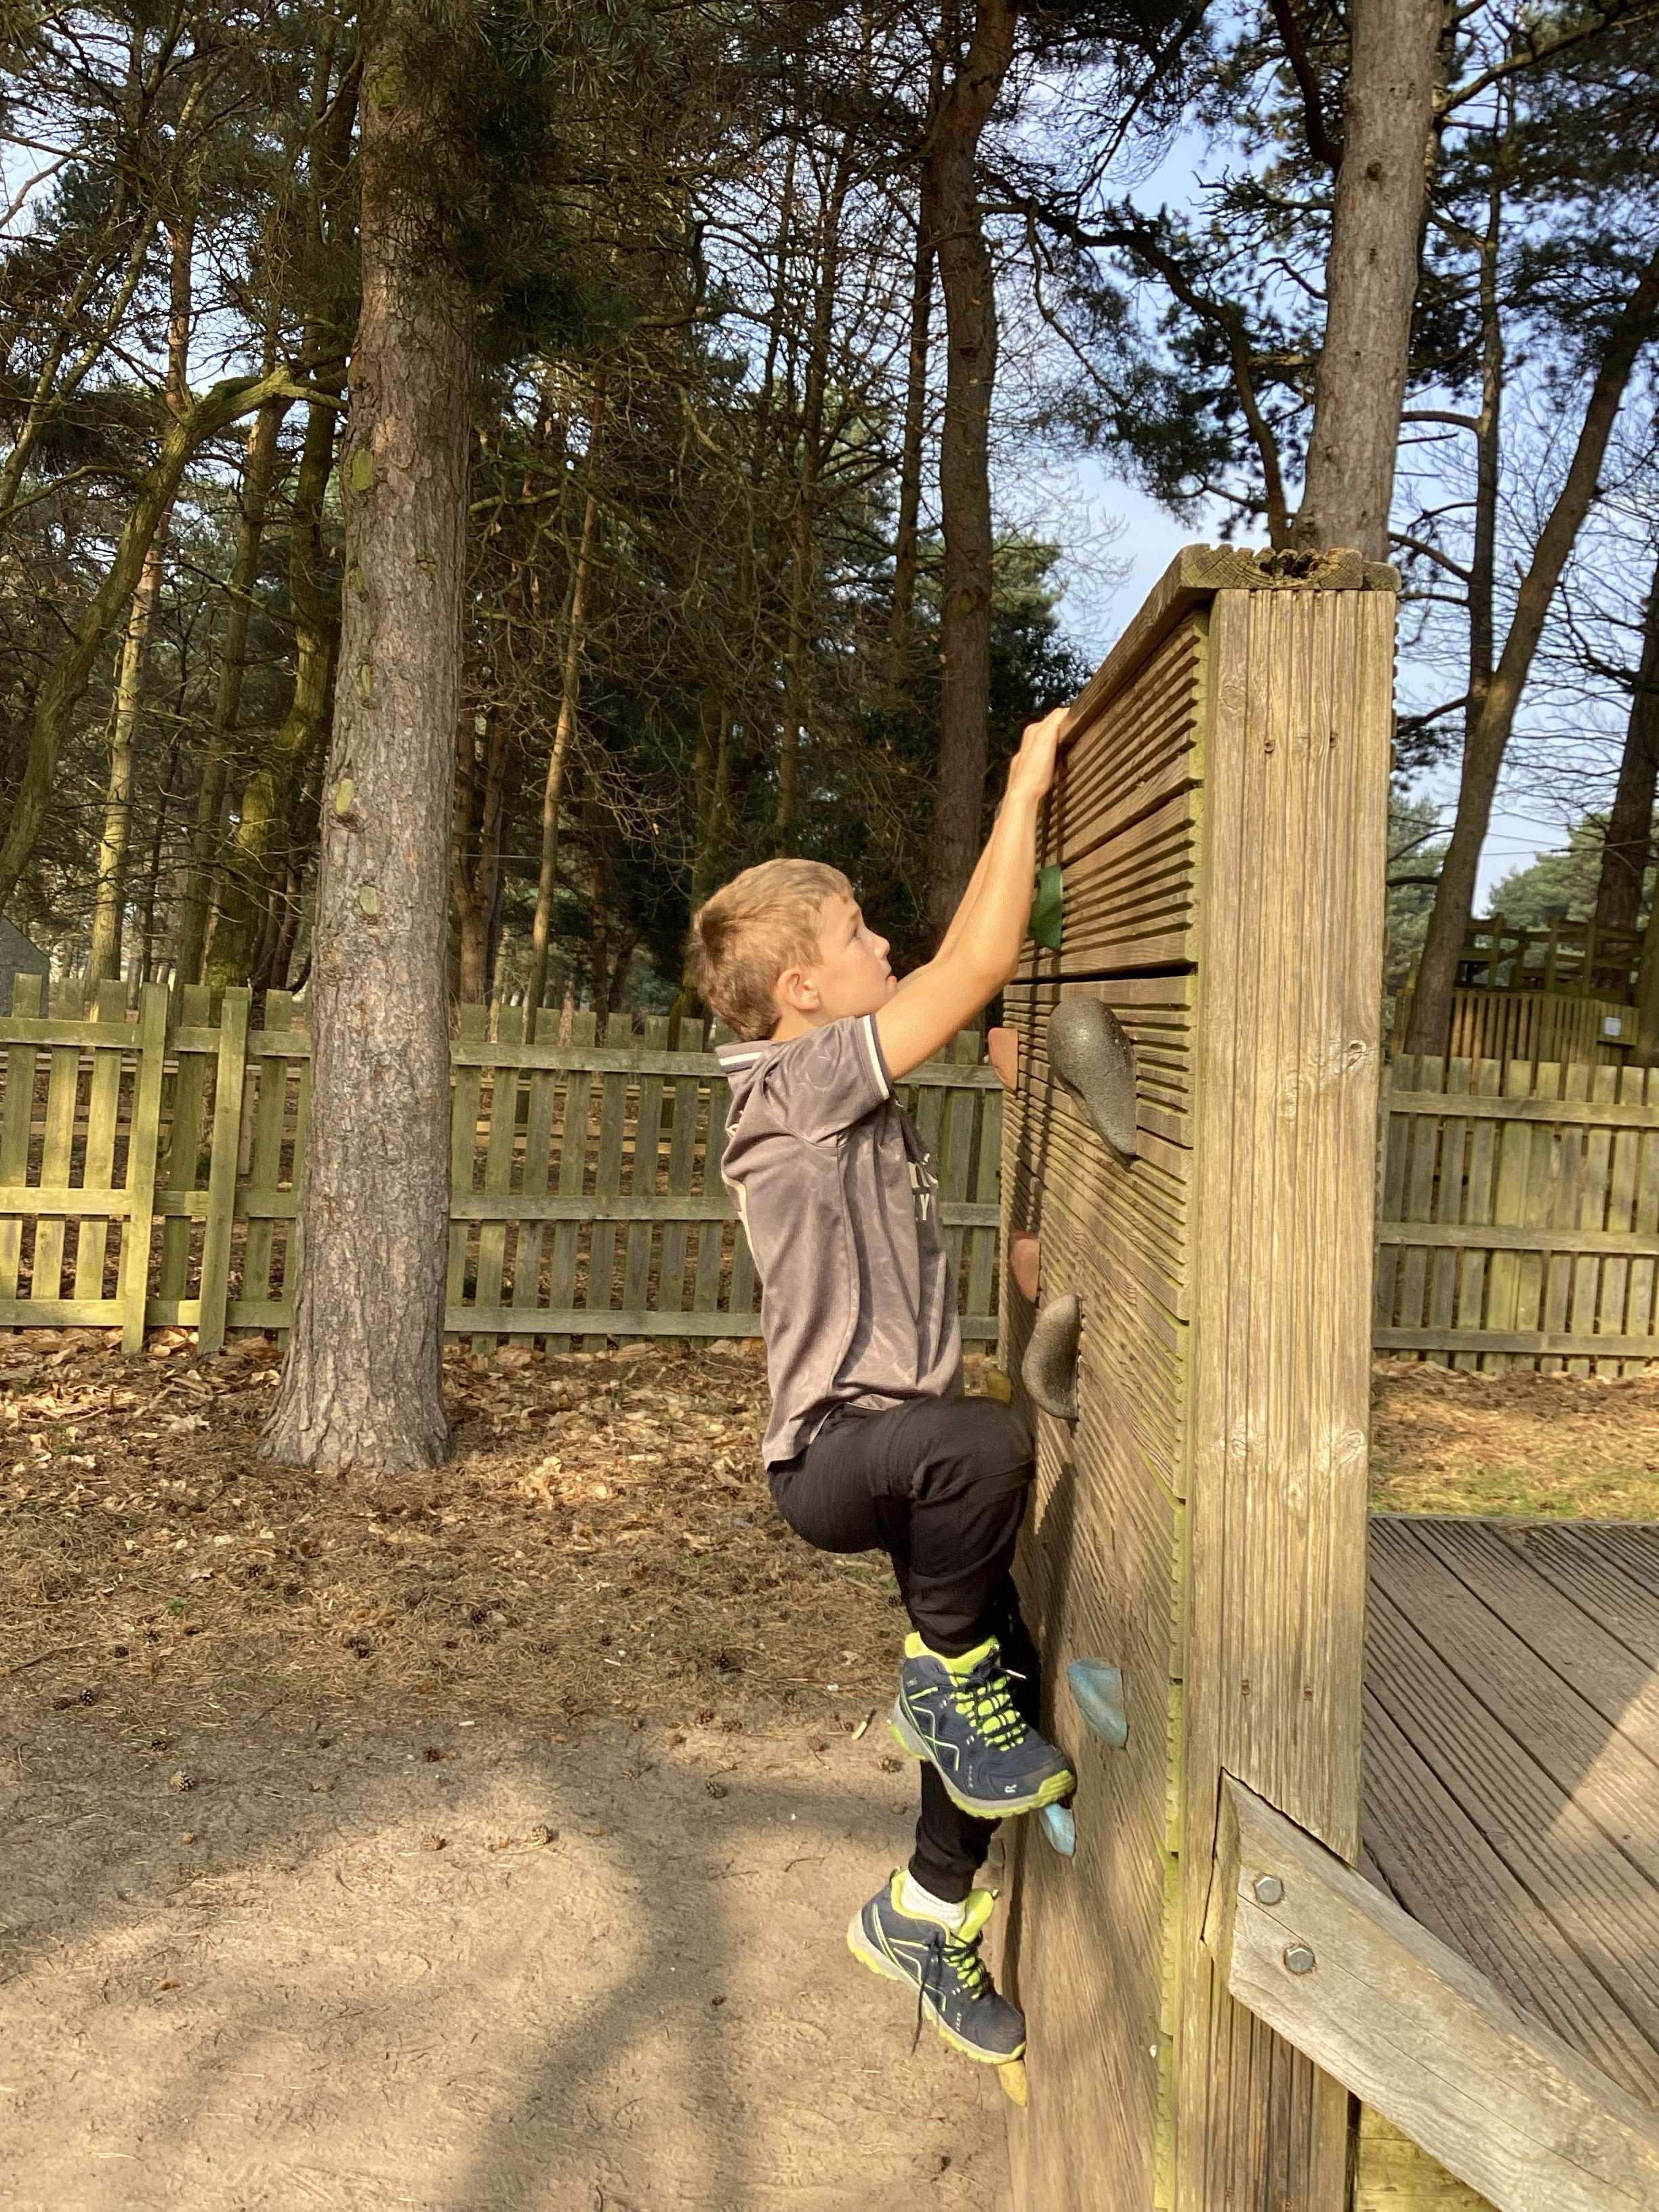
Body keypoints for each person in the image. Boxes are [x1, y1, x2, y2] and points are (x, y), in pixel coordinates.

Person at [684, 707, 1073, 2066]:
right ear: (800, 986)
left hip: (902, 1447)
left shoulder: (839, 1093)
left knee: (1006, 1684)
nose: (883, 947)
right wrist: (1024, 783)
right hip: (840, 1459)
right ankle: (940, 1673)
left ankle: (923, 1910)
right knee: (983, 1448)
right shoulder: (791, 1084)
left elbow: (970, 975)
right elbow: (973, 965)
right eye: (858, 935)